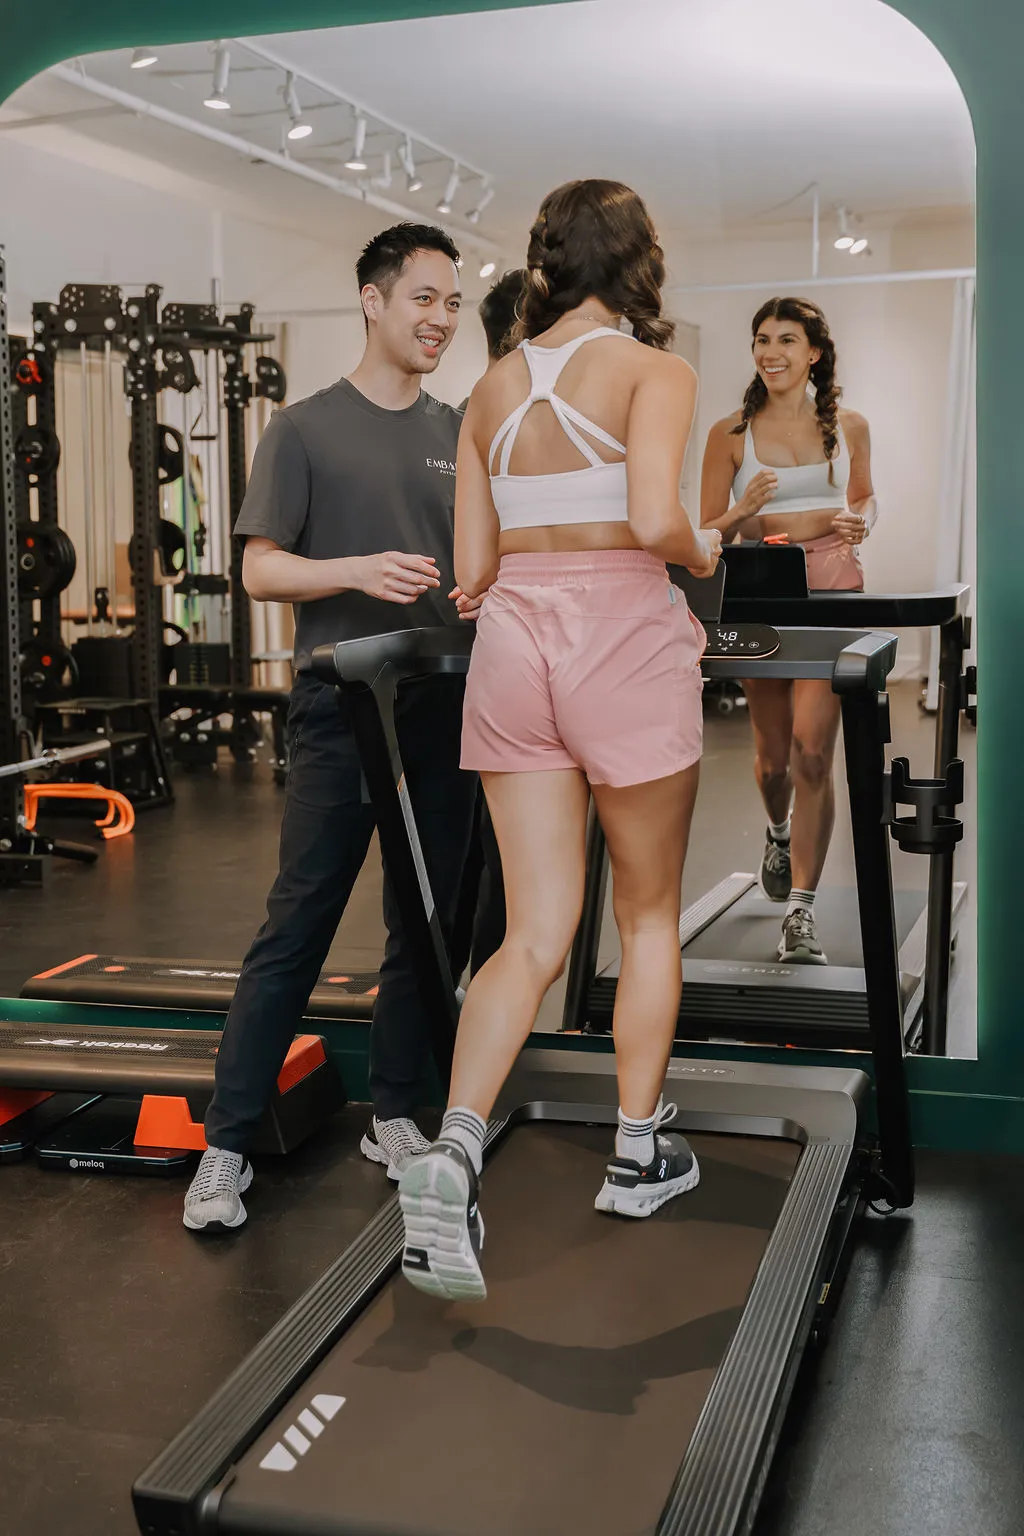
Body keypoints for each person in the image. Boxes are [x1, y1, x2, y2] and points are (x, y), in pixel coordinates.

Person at [396, 179, 722, 1302]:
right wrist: (708, 540)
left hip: (515, 646)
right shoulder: (654, 371)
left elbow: (471, 573)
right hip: (620, 638)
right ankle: (637, 1156)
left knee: (531, 932)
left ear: (544, 262)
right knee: (645, 913)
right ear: (637, 259)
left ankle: (452, 1145)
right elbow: (652, 522)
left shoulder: (488, 388)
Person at [183, 223, 483, 1233]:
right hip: (338, 710)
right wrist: (356, 571)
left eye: (453, 303)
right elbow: (260, 568)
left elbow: (476, 568)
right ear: (372, 299)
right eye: (424, 298)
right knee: (297, 925)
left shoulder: (458, 430)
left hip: (442, 706)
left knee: (426, 922)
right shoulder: (303, 429)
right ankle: (223, 1147)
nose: (441, 318)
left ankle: (394, 1112)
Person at [700, 297, 877, 965]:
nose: (770, 350)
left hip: (834, 591)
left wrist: (863, 521)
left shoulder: (848, 427)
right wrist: (743, 510)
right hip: (760, 597)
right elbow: (706, 531)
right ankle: (778, 832)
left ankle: (801, 913)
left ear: (814, 353)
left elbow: (863, 499)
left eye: (785, 339)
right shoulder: (731, 435)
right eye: (761, 340)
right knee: (774, 760)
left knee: (812, 754)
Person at [450, 269, 527, 977]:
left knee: (504, 851)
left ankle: (480, 986)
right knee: (480, 845)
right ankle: (468, 987)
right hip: (491, 662)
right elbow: (471, 563)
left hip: (528, 659)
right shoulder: (485, 415)